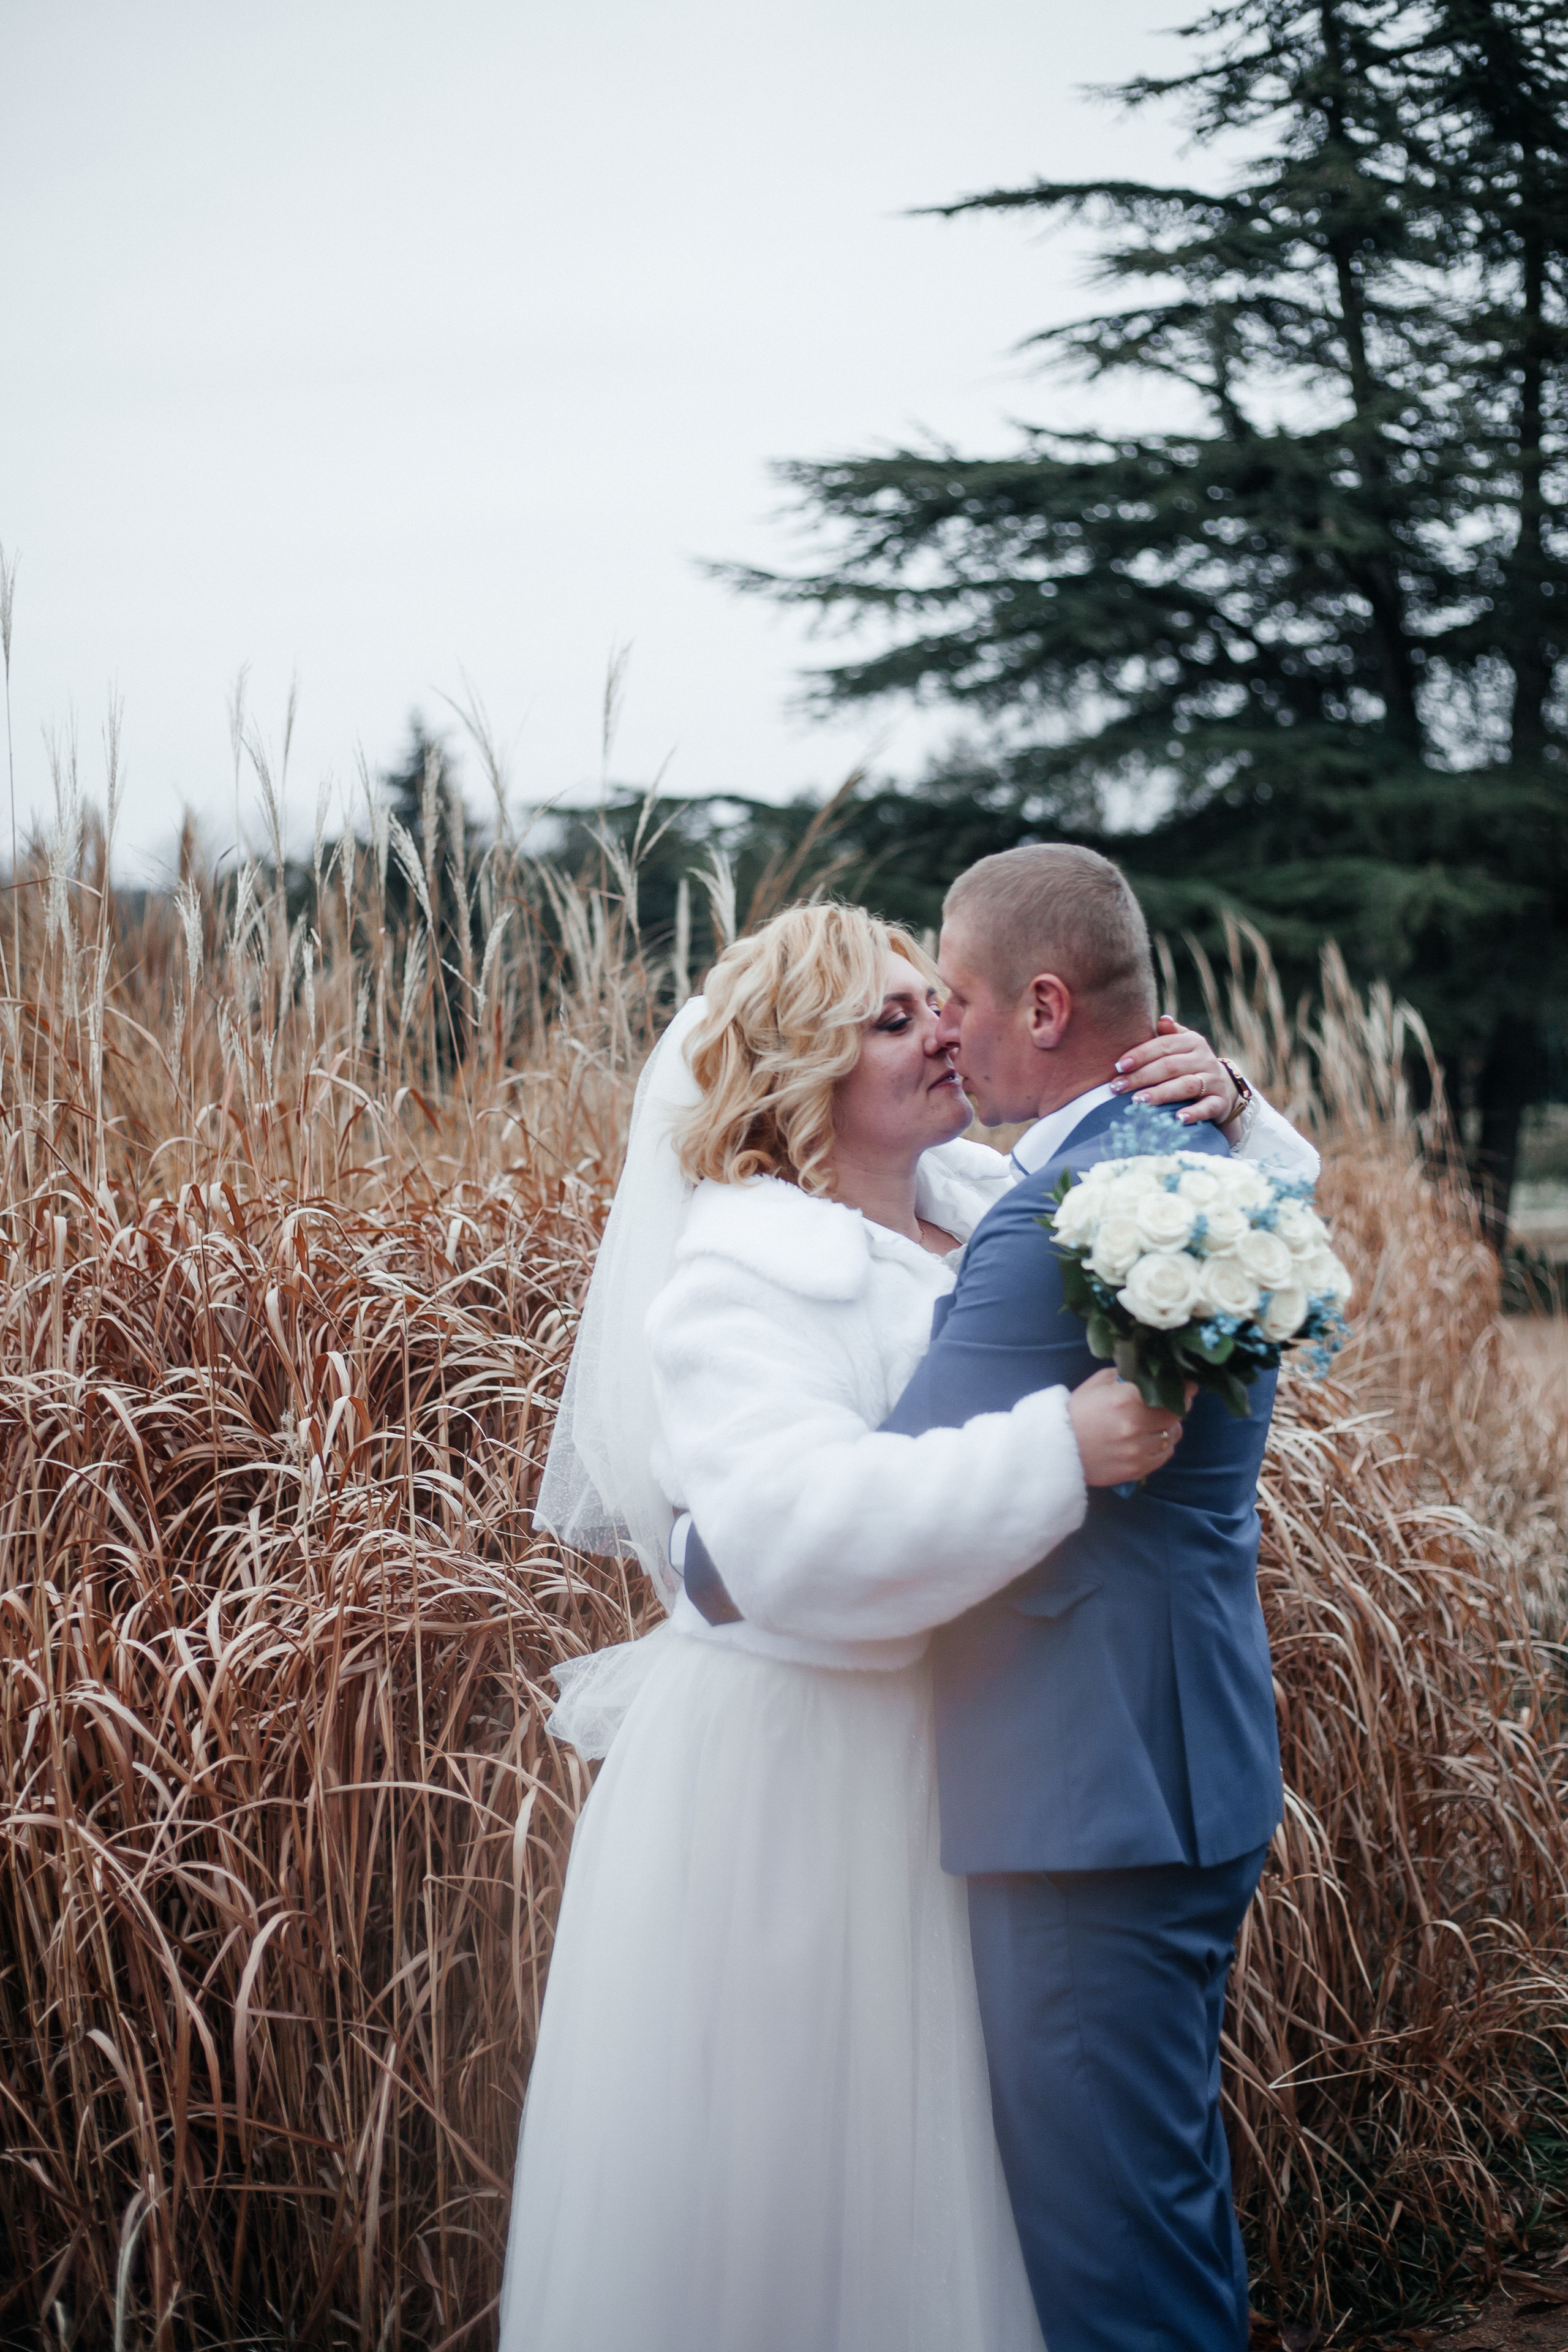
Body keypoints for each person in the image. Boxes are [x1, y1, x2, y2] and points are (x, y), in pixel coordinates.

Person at [499, 897, 1311, 2351]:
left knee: (952, 2183)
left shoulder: (972, 1198)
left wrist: (1236, 1115)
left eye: (933, 998)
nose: (942, 1024)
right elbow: (784, 1542)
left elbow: (1140, 1213)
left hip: (948, 1759)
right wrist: (1052, 1451)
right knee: (806, 2187)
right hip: (795, 1777)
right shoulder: (742, 1276)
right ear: (801, 1076)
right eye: (892, 1018)